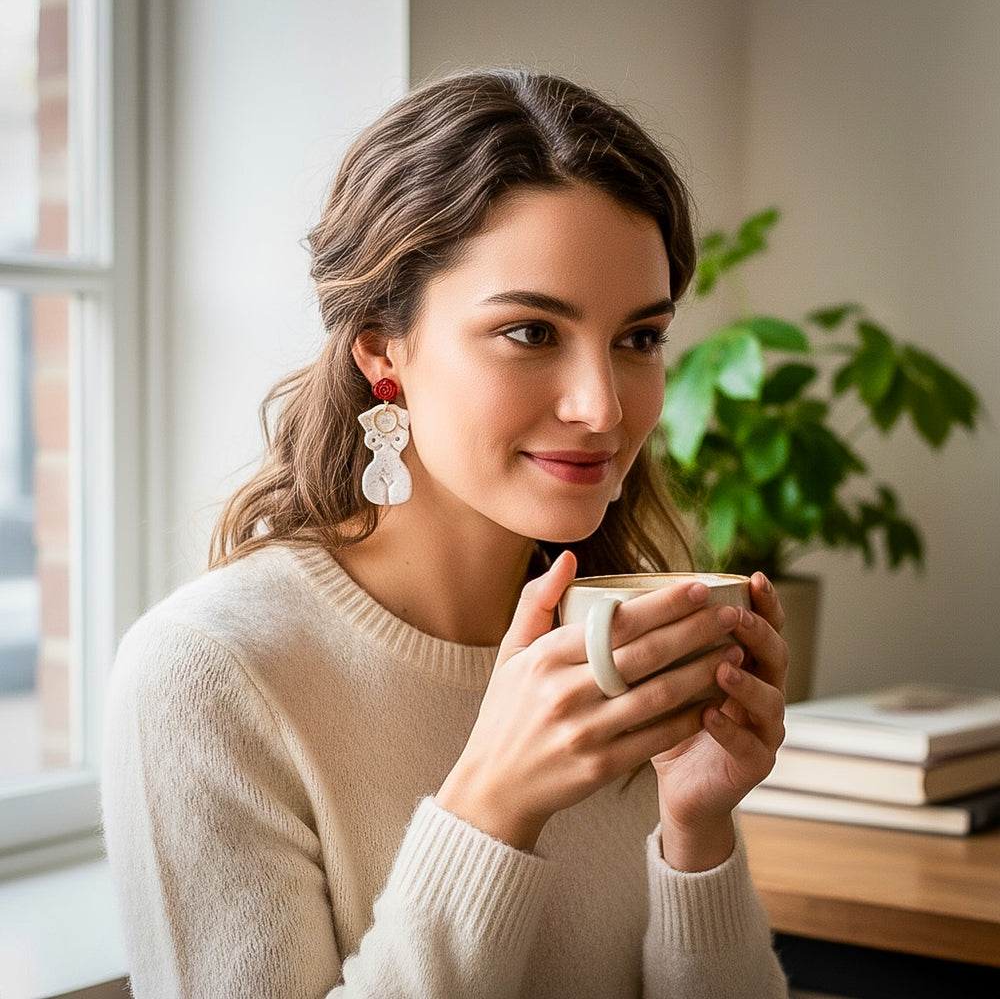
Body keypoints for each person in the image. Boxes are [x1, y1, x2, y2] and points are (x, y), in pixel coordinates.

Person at [102, 68, 790, 998]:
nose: (603, 408)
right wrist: (491, 806)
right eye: (530, 333)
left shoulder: (618, 644)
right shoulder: (206, 676)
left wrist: (696, 835)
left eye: (639, 338)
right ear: (383, 349)